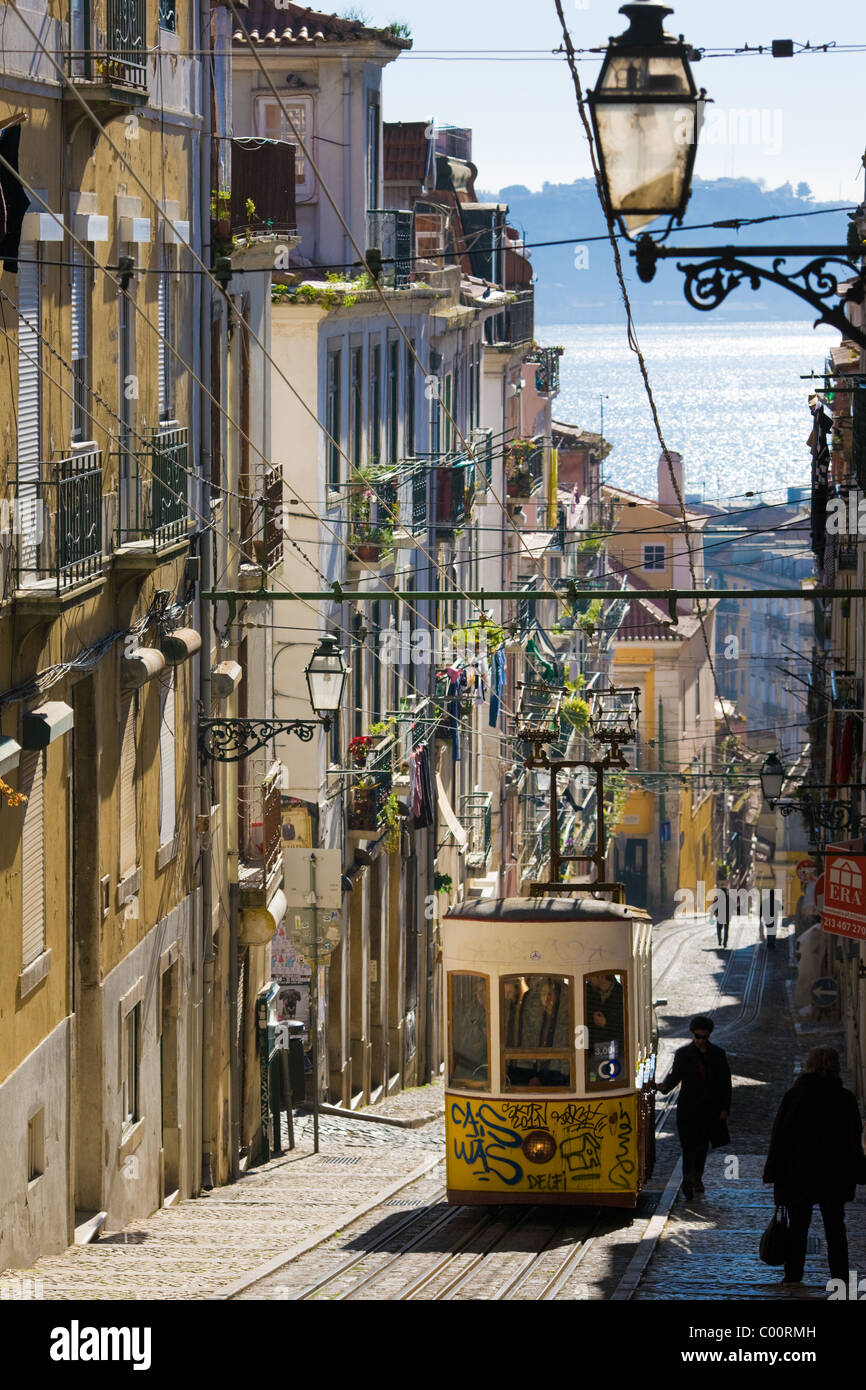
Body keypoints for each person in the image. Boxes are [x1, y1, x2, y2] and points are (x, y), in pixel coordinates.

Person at [763, 1046, 866, 1286]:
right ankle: (839, 1278)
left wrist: (774, 1173)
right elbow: (853, 1141)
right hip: (835, 1176)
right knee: (836, 1230)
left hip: (799, 1175)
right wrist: (858, 1170)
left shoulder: (795, 1096)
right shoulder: (845, 1099)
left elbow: (780, 1137)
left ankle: (793, 1275)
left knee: (798, 1227)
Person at [655, 1015, 731, 1200]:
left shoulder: (718, 1054)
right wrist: (662, 1087)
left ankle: (697, 1177)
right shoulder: (683, 1054)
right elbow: (675, 1077)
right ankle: (688, 1180)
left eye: (704, 1037)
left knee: (702, 1147)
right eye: (698, 1036)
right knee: (688, 1147)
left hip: (709, 1110)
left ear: (709, 1036)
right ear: (692, 1034)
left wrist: (724, 1109)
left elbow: (725, 1084)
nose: (701, 1041)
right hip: (688, 1110)